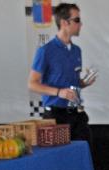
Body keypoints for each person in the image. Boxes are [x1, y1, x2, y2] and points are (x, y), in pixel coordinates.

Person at [28, 3, 96, 144]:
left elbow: (71, 84)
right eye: (77, 20)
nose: (81, 24)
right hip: (55, 115)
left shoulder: (77, 51)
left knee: (84, 153)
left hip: (76, 112)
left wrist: (83, 83)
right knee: (60, 159)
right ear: (64, 22)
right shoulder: (46, 50)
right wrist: (59, 92)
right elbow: (32, 84)